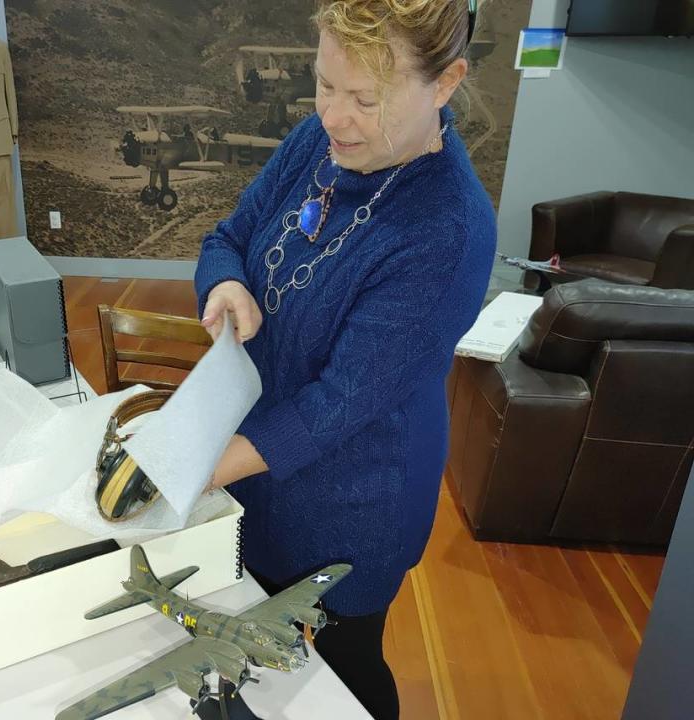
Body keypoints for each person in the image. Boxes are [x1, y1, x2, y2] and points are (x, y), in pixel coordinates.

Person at [194, 2, 495, 718]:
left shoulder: (447, 228)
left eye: (367, 99)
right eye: (325, 85)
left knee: (340, 670)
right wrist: (227, 282)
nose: (336, 117)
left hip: (354, 500)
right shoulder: (316, 143)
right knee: (258, 648)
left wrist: (200, 464)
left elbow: (341, 405)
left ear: (446, 83)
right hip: (256, 464)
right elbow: (227, 235)